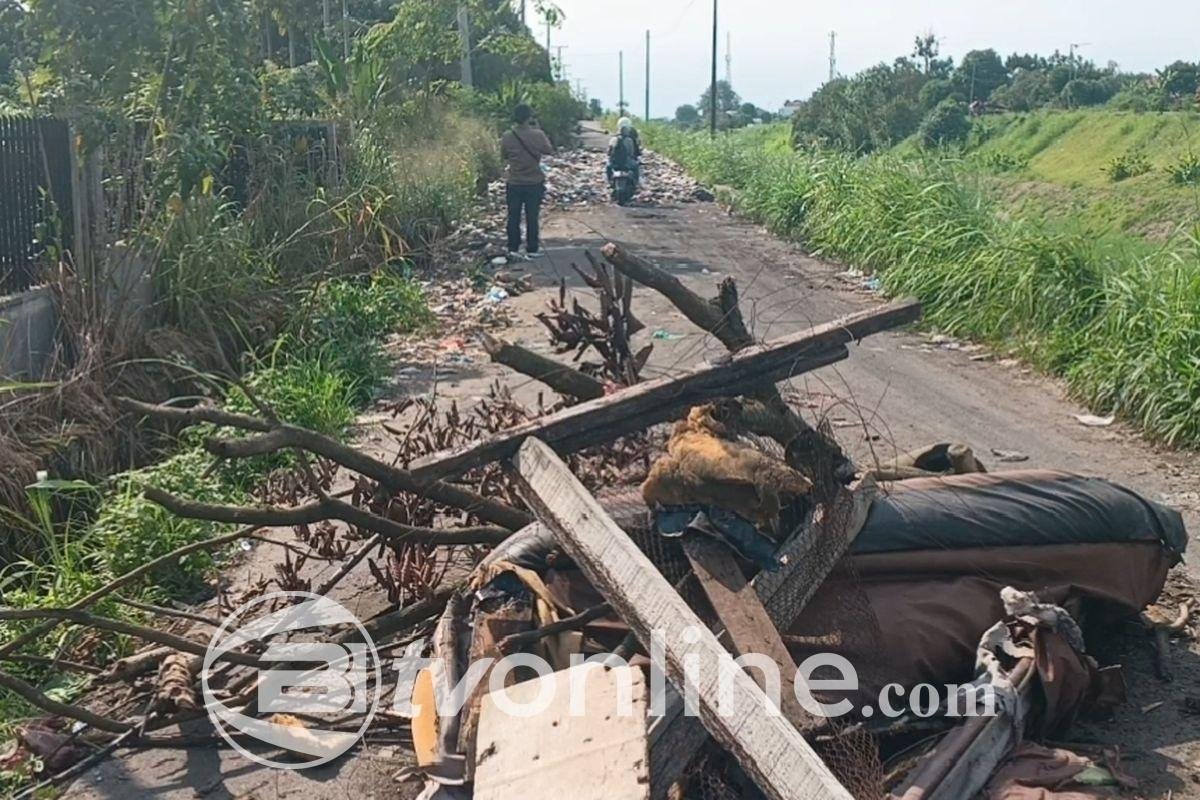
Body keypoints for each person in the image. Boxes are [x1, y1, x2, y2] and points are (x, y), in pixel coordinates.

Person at [500, 104, 553, 259]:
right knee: (532, 216)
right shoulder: (538, 135)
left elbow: (504, 155)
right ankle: (532, 248)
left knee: (513, 216)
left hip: (514, 182)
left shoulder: (507, 136)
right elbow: (548, 150)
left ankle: (513, 247)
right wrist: (538, 129)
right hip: (534, 182)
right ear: (529, 118)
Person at [607, 116, 641, 186]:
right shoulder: (629, 140)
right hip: (627, 162)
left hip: (614, 163)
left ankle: (609, 182)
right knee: (636, 167)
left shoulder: (613, 139)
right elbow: (631, 153)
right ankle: (636, 183)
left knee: (608, 167)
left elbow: (609, 152)